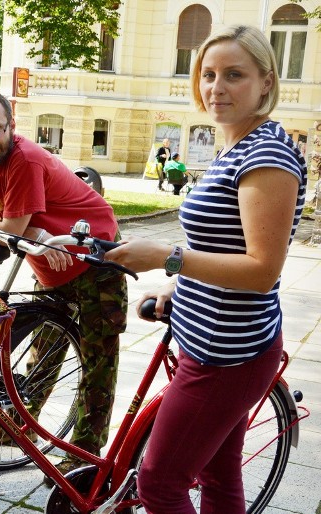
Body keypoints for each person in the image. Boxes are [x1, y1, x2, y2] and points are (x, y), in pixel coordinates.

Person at [105, 25, 307, 513]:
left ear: (265, 82)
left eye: (234, 75)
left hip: (226, 356)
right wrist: (178, 288)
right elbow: (223, 242)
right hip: (212, 338)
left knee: (158, 482)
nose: (216, 87)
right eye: (208, 74)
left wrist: (167, 258)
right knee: (218, 472)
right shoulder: (238, 145)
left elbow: (262, 270)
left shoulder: (267, 157)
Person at [0, 89, 128, 481]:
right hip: (49, 257)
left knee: (97, 358)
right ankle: (17, 425)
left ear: (11, 126)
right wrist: (24, 230)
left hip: (93, 255)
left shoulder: (25, 160)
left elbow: (4, 231)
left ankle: (85, 451)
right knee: (45, 347)